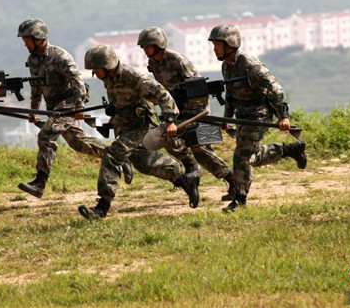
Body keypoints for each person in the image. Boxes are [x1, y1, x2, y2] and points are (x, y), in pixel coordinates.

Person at [77, 45, 200, 219]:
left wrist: (170, 120)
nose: (95, 74)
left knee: (114, 153)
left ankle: (102, 207)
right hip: (126, 125)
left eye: (96, 69)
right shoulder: (109, 77)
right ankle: (184, 180)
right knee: (146, 163)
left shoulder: (133, 77)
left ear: (107, 65)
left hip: (141, 124)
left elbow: (162, 94)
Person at [16, 19, 132, 198]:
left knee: (46, 136)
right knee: (79, 144)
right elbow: (36, 87)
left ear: (38, 37)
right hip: (54, 106)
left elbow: (76, 80)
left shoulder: (59, 56)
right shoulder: (32, 60)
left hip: (69, 102)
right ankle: (118, 157)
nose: (25, 43)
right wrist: (33, 110)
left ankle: (40, 182)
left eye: (27, 39)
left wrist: (79, 106)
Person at [208, 25, 307, 212]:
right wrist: (226, 118)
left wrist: (283, 116)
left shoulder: (249, 64)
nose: (214, 49)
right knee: (251, 155)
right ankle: (290, 150)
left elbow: (275, 88)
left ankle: (240, 199)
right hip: (243, 115)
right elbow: (230, 95)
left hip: (260, 112)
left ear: (230, 44)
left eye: (218, 44)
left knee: (241, 156)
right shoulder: (226, 66)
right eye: (214, 45)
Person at [138, 26, 237, 200]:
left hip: (197, 109)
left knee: (201, 149)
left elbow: (198, 87)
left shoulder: (177, 60)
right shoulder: (153, 64)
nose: (145, 49)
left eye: (148, 45)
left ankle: (233, 181)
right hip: (176, 110)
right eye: (144, 46)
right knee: (167, 139)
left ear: (158, 45)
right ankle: (191, 167)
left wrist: (187, 103)